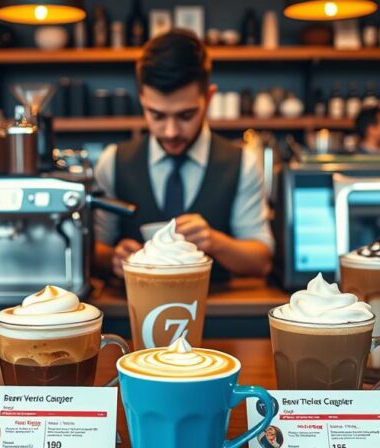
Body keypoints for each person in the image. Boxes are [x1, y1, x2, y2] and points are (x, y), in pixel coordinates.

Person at [92, 30, 274, 283]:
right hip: (135, 312)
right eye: (156, 115)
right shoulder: (113, 161)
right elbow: (94, 249)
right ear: (143, 99)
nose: (171, 131)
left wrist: (214, 241)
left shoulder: (241, 164)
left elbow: (261, 260)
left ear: (208, 98)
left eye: (185, 115)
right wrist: (113, 256)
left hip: (215, 313)